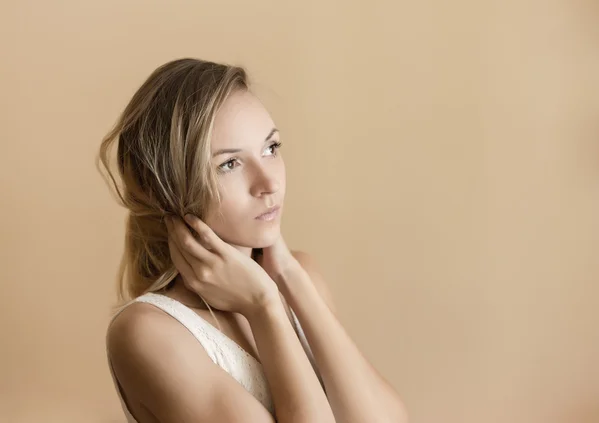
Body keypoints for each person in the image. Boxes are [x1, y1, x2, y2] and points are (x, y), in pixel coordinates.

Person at [97, 57, 408, 423]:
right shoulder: (148, 333)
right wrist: (263, 307)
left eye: (271, 148)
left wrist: (289, 275)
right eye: (230, 164)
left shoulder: (300, 275)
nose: (269, 183)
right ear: (168, 191)